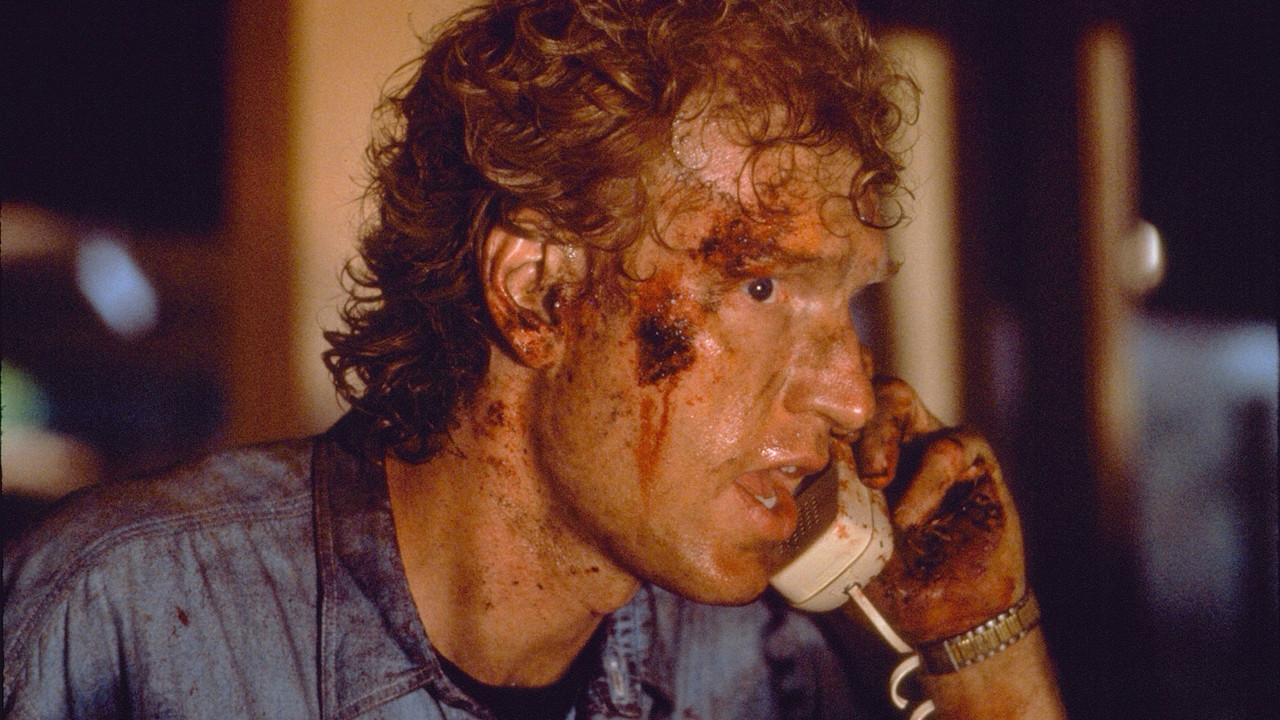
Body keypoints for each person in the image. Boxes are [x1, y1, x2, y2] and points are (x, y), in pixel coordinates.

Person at [3, 0, 1067, 717]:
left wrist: (981, 643)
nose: (848, 395)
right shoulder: (126, 619)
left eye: (847, 305)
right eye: (760, 288)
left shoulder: (763, 659)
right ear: (539, 291)